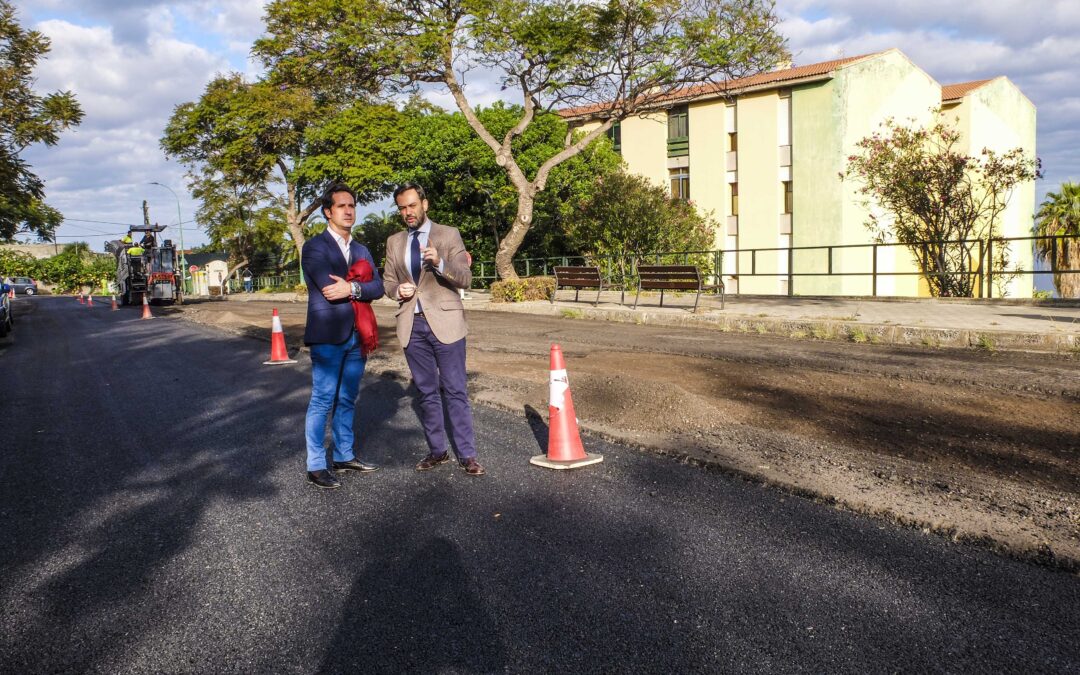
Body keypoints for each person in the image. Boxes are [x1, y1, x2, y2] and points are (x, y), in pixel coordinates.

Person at [383, 182, 484, 476]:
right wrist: (396, 290)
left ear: (425, 204)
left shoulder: (448, 234)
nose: (408, 212)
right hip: (411, 324)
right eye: (402, 208)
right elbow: (387, 281)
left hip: (446, 323)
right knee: (426, 392)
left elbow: (465, 278)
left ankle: (467, 455)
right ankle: (438, 451)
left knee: (455, 390)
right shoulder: (395, 241)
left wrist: (440, 263)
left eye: (412, 205)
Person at [301, 182, 385, 489]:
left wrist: (352, 287)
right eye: (341, 206)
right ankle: (315, 465)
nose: (348, 211)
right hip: (327, 335)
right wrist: (356, 288)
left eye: (352, 206)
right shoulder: (314, 247)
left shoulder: (362, 249)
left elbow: (379, 287)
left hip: (358, 335)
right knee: (323, 399)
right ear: (327, 212)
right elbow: (328, 287)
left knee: (348, 397)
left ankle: (344, 454)